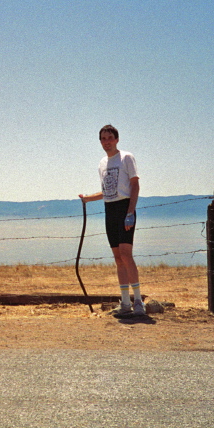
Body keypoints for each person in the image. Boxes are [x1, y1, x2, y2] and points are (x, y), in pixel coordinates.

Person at [79, 124, 145, 317]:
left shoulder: (126, 158)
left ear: (116, 139)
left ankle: (138, 301)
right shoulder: (102, 163)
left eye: (109, 138)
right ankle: (125, 302)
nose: (106, 142)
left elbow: (135, 185)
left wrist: (130, 212)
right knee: (118, 258)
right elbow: (107, 191)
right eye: (103, 139)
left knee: (126, 254)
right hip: (110, 210)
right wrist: (87, 198)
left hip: (125, 208)